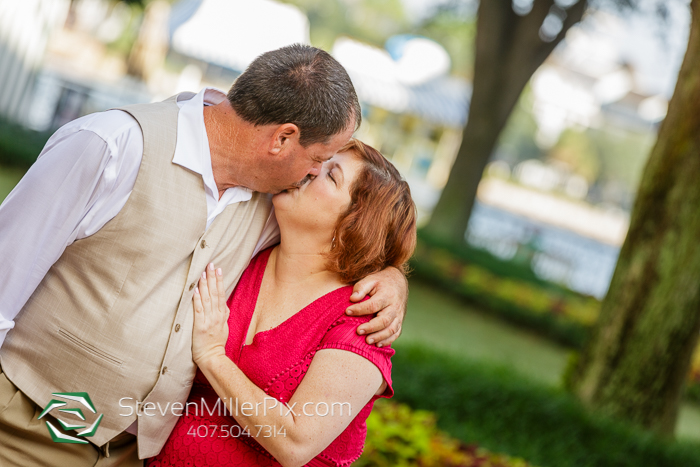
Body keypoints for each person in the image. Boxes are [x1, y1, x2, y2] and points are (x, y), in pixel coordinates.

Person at [0, 45, 407, 466]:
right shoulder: (113, 145)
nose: (311, 173)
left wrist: (394, 277)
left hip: (131, 454)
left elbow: (348, 237)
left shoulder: (273, 204)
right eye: (318, 159)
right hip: (26, 424)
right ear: (283, 138)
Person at [147, 139, 416, 467]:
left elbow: (296, 442)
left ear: (353, 228)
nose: (312, 169)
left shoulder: (362, 319)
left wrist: (214, 357)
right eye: (321, 160)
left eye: (331, 175)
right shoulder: (245, 249)